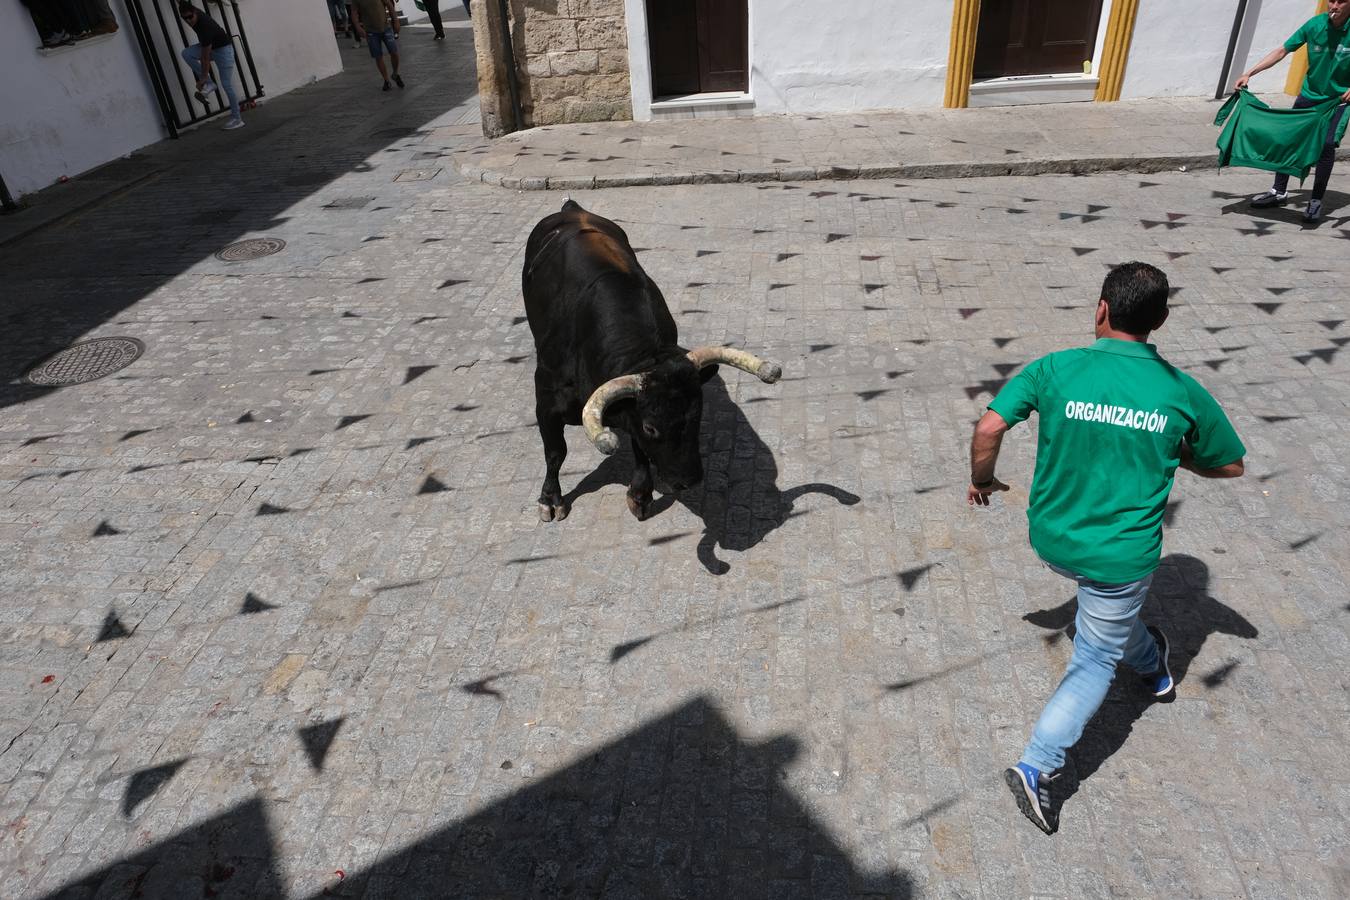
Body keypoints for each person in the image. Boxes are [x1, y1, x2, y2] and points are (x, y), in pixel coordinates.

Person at [966, 262, 1245, 835]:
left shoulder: (1054, 368)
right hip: (1118, 557)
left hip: (1052, 539)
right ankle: (1038, 768)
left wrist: (984, 481)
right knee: (1095, 656)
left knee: (1110, 617)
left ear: (1099, 309)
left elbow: (989, 428)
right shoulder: (1180, 390)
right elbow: (1232, 465)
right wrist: (1176, 451)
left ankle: (1152, 665)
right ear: (1160, 320)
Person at [1235, 0, 1350, 223]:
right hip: (1309, 96)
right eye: (1331, 0)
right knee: (1290, 140)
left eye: (1341, 1)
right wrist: (1250, 73)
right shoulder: (1315, 25)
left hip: (1338, 101)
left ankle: (1316, 201)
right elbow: (1282, 50)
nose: (1334, 6)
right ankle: (1279, 191)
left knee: (1326, 146)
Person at [178, 3, 244, 130]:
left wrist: (202, 78)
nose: (188, 21)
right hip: (214, 48)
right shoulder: (194, 13)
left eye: (190, 17)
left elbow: (205, 58)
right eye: (184, 18)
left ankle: (237, 119)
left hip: (224, 52)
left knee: (226, 84)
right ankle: (210, 84)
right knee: (186, 53)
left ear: (195, 12)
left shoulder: (205, 29)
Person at [351, 0, 404, 91]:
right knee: (378, 56)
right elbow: (354, 12)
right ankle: (386, 80)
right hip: (371, 31)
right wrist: (358, 27)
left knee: (394, 52)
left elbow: (389, 5)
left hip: (386, 27)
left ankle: (395, 74)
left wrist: (396, 21)